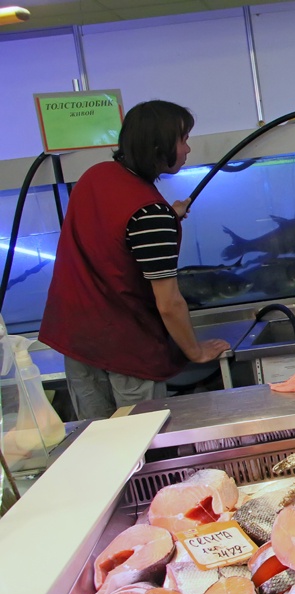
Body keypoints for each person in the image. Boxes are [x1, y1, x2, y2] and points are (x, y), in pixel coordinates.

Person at [39, 100, 230, 420]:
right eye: (183, 139)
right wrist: (195, 351)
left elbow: (113, 236)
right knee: (140, 444)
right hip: (126, 352)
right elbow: (169, 303)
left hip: (79, 344)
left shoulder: (95, 177)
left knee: (96, 443)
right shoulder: (150, 214)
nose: (188, 149)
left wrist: (169, 216)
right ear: (158, 147)